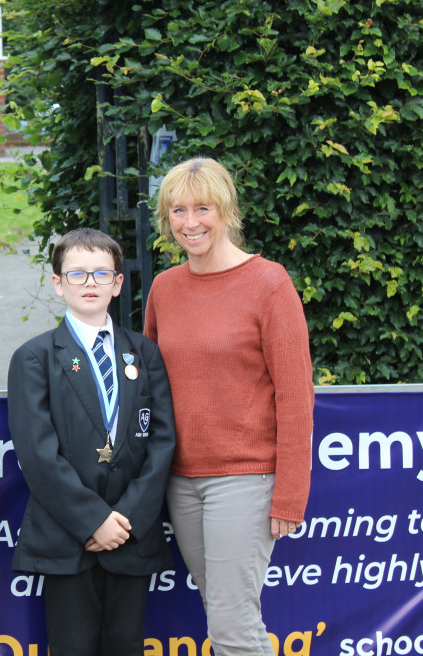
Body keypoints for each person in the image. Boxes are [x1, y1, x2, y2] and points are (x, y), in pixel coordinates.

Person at [144, 157, 314, 656]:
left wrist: (290, 494)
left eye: (202, 208)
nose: (189, 222)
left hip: (245, 480)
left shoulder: (269, 284)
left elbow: (296, 396)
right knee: (225, 613)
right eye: (177, 211)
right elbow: (151, 387)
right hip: (181, 480)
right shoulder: (165, 288)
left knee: (233, 624)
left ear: (226, 211)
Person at [7, 228, 176, 656]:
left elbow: (162, 441)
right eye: (77, 274)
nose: (89, 284)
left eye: (101, 274)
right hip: (68, 537)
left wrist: (124, 518)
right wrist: (92, 521)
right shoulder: (35, 357)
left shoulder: (145, 353)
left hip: (129, 534)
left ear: (118, 283)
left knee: (126, 646)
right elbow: (37, 453)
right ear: (57, 283)